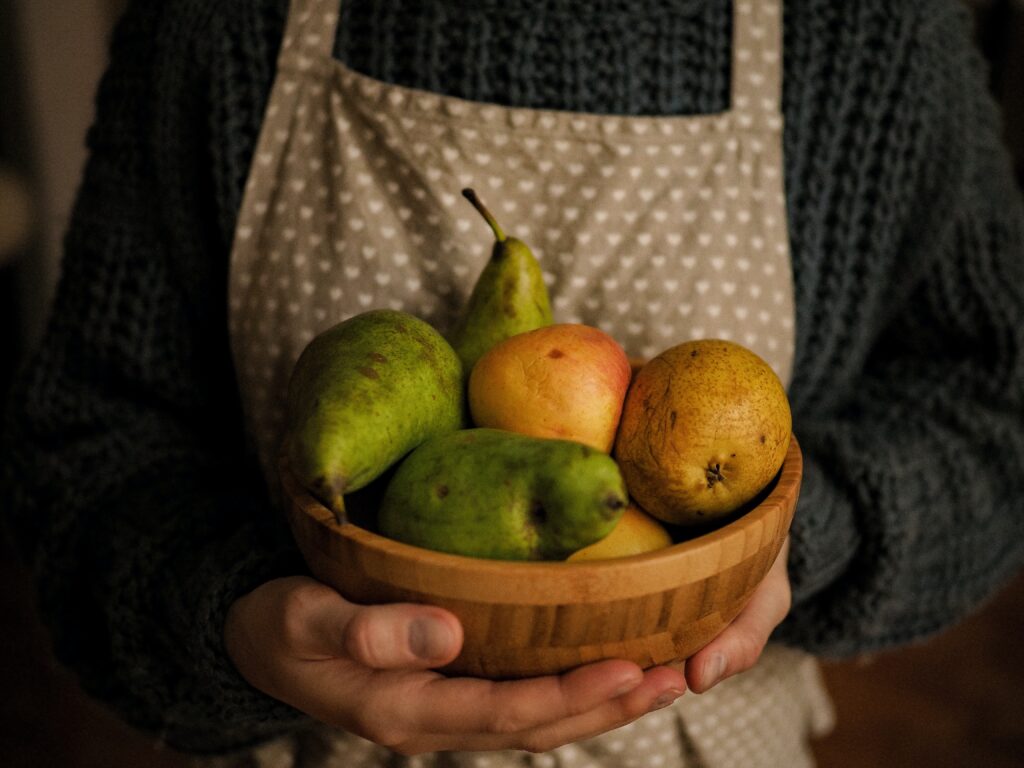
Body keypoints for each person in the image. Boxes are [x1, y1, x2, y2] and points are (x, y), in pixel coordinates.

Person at [2, 0, 1022, 766]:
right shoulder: (218, 24)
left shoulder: (867, 32)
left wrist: (797, 539)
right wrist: (232, 622)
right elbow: (89, 448)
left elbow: (997, 401)